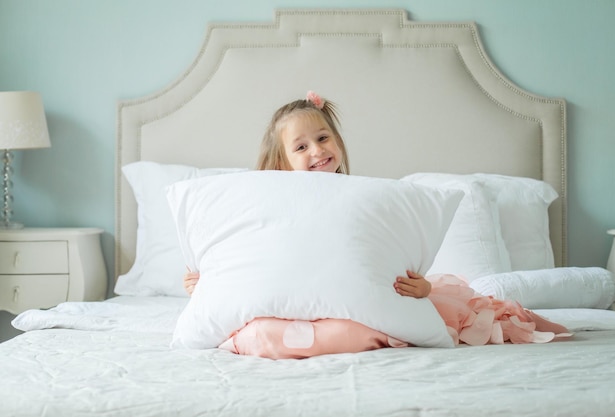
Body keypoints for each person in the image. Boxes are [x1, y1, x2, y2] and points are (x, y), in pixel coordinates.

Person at [182, 91, 570, 359]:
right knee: (257, 335)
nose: (317, 151)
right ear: (281, 163)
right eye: (301, 147)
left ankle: (373, 333)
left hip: (348, 304)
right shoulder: (262, 203)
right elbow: (247, 261)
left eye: (323, 138)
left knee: (364, 325)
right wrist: (207, 283)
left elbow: (377, 255)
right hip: (283, 306)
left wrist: (419, 286)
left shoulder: (358, 198)